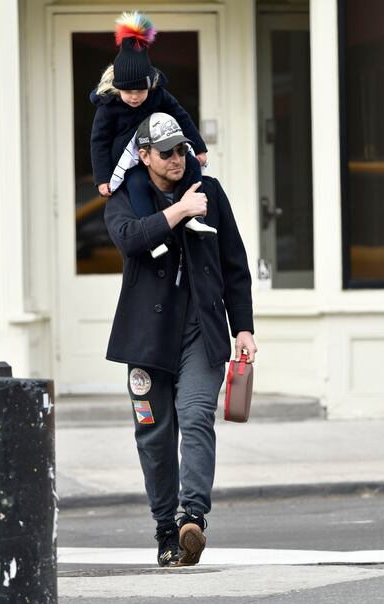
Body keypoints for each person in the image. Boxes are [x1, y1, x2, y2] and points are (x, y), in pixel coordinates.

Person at [104, 112, 257, 567]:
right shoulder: (127, 194)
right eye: (166, 151)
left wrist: (243, 327)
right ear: (145, 155)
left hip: (202, 331)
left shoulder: (210, 190)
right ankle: (166, 530)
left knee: (195, 416)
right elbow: (127, 238)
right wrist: (179, 211)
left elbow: (235, 262)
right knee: (154, 434)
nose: (177, 158)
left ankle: (193, 516)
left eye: (182, 149)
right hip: (147, 338)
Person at [90, 11, 216, 258]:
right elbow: (99, 141)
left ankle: (192, 217)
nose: (134, 97)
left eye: (140, 90)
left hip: (156, 147)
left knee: (190, 166)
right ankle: (153, 235)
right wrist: (102, 178)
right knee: (137, 184)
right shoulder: (110, 105)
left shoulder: (159, 95)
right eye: (128, 92)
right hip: (128, 159)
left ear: (150, 83)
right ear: (117, 88)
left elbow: (182, 116)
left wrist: (199, 148)